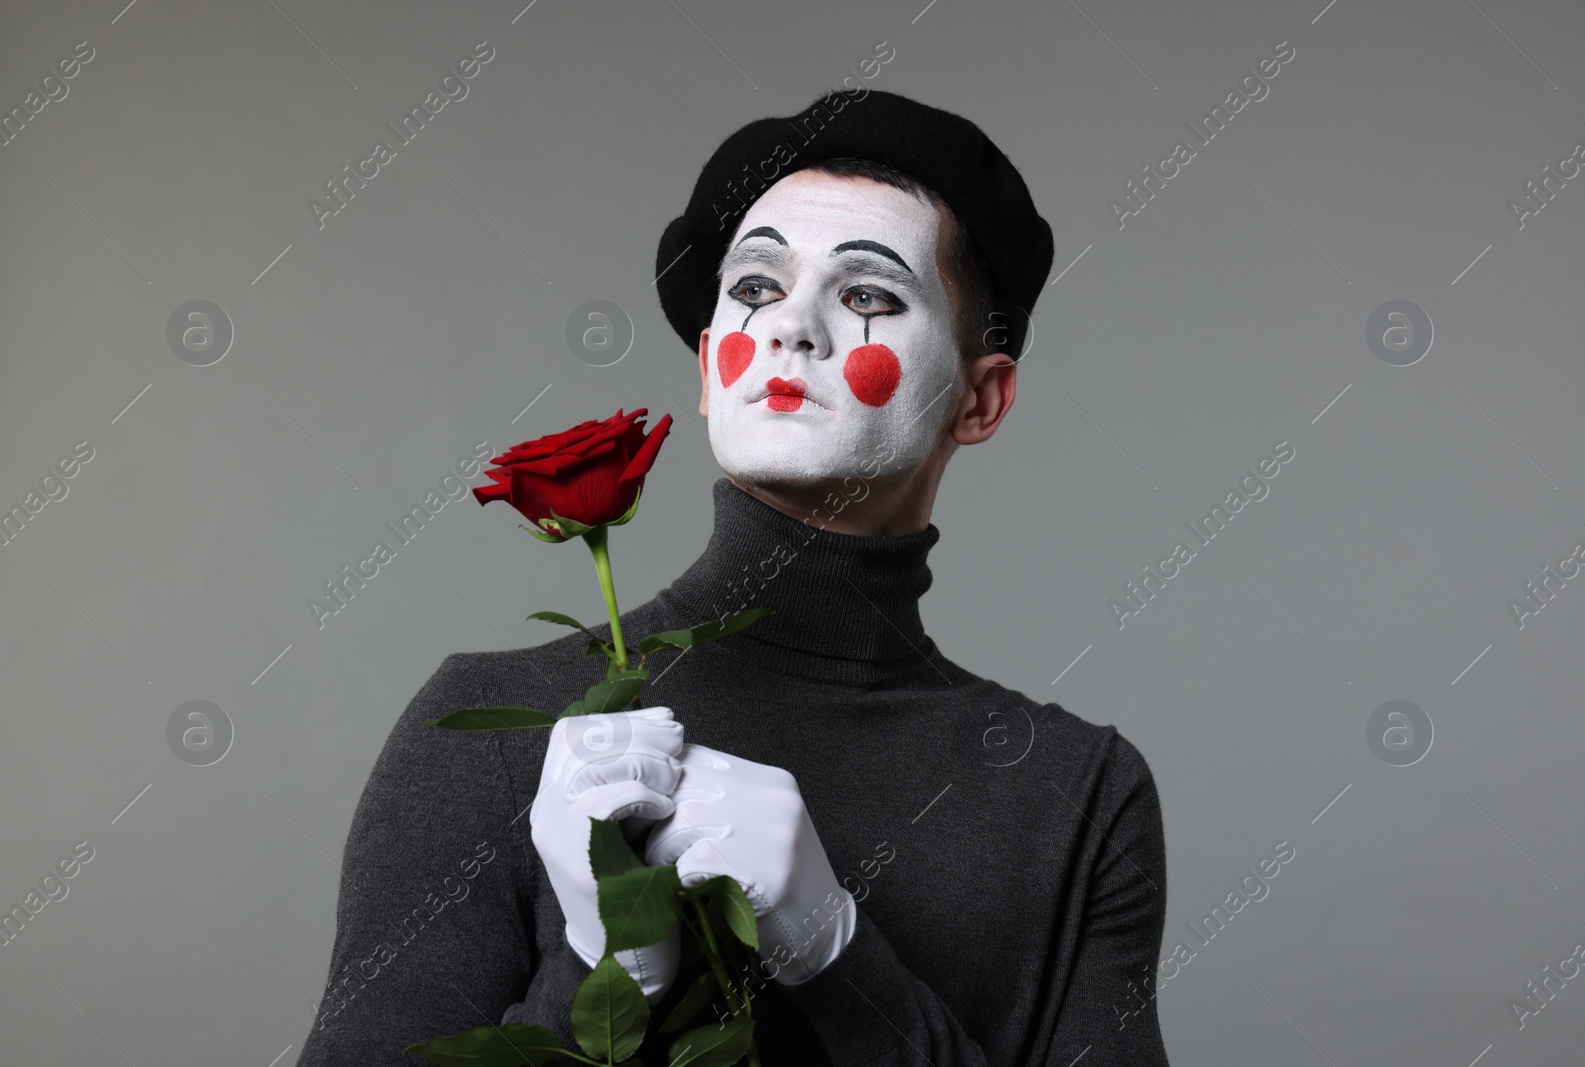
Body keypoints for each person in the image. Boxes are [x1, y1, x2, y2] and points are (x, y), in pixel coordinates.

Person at [296, 90, 1170, 1066]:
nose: (793, 325)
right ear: (714, 366)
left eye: (869, 295)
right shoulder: (492, 725)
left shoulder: (1076, 792)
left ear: (980, 396)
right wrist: (610, 969)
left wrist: (837, 956)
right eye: (755, 287)